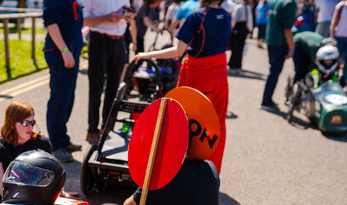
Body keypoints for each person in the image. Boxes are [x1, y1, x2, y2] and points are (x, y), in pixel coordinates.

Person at [133, 0, 231, 173]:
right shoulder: (226, 16)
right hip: (221, 76)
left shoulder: (197, 16)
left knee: (188, 125)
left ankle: (185, 173)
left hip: (200, 75)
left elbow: (178, 50)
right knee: (216, 127)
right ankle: (211, 172)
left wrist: (146, 55)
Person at [83, 0, 136, 145]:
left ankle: (106, 129)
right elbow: (82, 21)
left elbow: (124, 14)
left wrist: (128, 16)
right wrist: (107, 18)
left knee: (114, 90)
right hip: (99, 41)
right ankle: (92, 130)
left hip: (119, 42)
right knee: (96, 88)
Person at [42, 0, 84, 162]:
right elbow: (50, 21)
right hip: (62, 53)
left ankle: (62, 138)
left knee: (68, 97)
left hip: (71, 52)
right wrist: (64, 50)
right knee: (60, 98)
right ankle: (55, 144)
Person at [260, 0, 297, 111]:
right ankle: (266, 101)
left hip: (271, 40)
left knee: (272, 71)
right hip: (279, 43)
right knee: (274, 72)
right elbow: (287, 28)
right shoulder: (289, 3)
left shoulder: (275, 1)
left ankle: (267, 99)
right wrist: (291, 47)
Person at [228, 0, 254, 73]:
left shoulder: (238, 7)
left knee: (235, 48)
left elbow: (234, 19)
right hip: (244, 29)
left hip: (237, 28)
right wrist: (250, 30)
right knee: (240, 48)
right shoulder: (247, 7)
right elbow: (250, 19)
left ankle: (232, 65)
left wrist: (230, 29)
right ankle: (238, 66)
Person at [330, 0, 347, 85]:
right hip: (339, 37)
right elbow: (333, 23)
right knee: (335, 60)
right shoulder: (340, 7)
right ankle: (333, 79)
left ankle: (344, 81)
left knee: (346, 62)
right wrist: (332, 38)